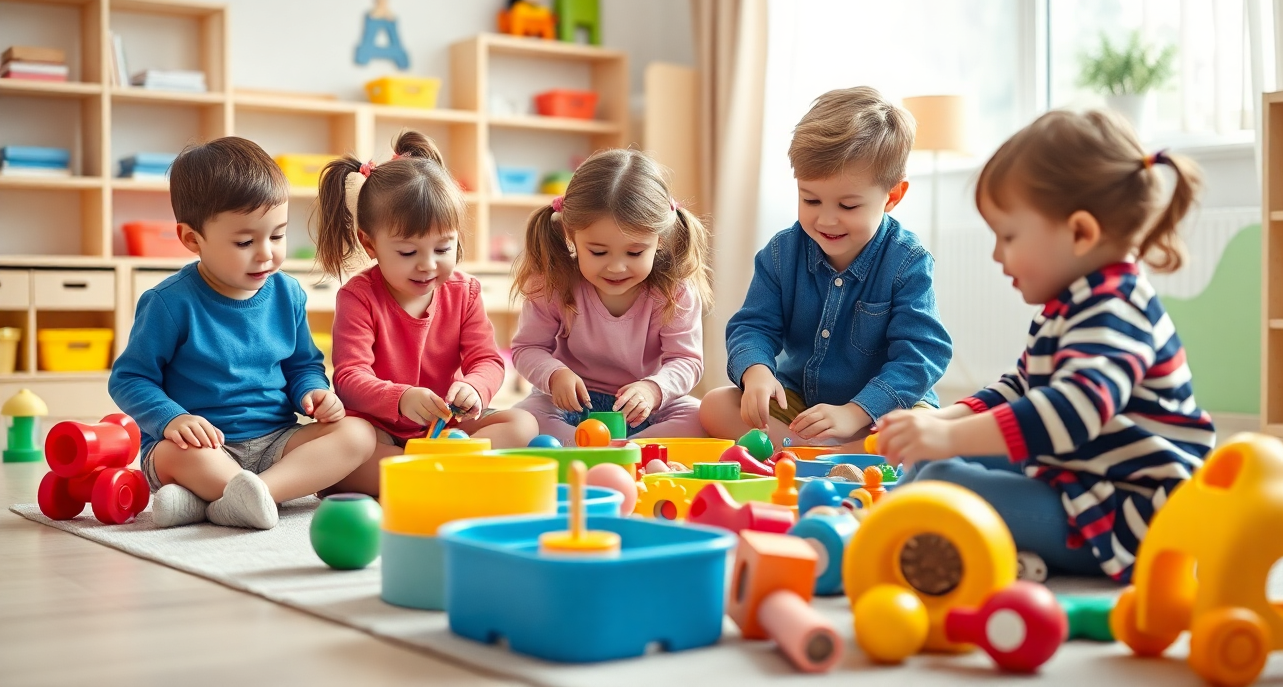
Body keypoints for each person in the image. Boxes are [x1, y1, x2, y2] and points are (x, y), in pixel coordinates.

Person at [873, 109, 1216, 582]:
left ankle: (899, 532)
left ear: (1080, 233)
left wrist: (950, 438)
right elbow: (1021, 388)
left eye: (1008, 236)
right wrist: (940, 422)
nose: (996, 255)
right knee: (936, 463)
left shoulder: (1115, 309)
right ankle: (886, 524)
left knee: (943, 483)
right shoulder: (1073, 303)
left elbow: (1074, 409)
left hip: (1130, 516)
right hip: (1083, 482)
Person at [110, 137, 376, 529]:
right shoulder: (169, 303)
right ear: (191, 239)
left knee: (358, 434)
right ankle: (241, 493)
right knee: (173, 455)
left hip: (276, 441)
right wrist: (171, 419)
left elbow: (303, 365)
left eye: (278, 235)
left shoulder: (287, 293)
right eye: (245, 241)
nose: (266, 253)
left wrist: (313, 392)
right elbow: (129, 378)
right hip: (201, 446)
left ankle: (236, 496)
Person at [701, 86, 952, 450]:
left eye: (848, 206)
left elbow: (922, 355)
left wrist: (856, 411)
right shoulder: (780, 254)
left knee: (924, 425)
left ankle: (822, 451)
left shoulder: (907, 262)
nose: (827, 220)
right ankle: (829, 454)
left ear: (893, 197)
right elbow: (753, 325)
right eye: (811, 199)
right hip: (804, 407)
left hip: (880, 413)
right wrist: (756, 371)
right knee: (715, 405)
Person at [316, 131, 537, 490]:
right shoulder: (358, 296)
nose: (427, 265)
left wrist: (475, 389)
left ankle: (424, 475)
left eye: (443, 248)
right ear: (369, 244)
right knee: (343, 448)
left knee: (523, 425)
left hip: (444, 430)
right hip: (379, 432)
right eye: (407, 253)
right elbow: (349, 378)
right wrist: (400, 398)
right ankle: (435, 475)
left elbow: (488, 360)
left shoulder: (464, 292)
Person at [511, 148, 712, 444]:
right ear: (570, 234)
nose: (616, 267)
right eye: (598, 251)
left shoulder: (674, 290)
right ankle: (603, 448)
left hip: (642, 409)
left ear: (660, 239)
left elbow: (686, 360)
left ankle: (621, 449)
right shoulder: (552, 282)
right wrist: (555, 376)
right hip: (573, 406)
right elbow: (527, 348)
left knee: (702, 418)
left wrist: (653, 390)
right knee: (524, 420)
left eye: (634, 252)